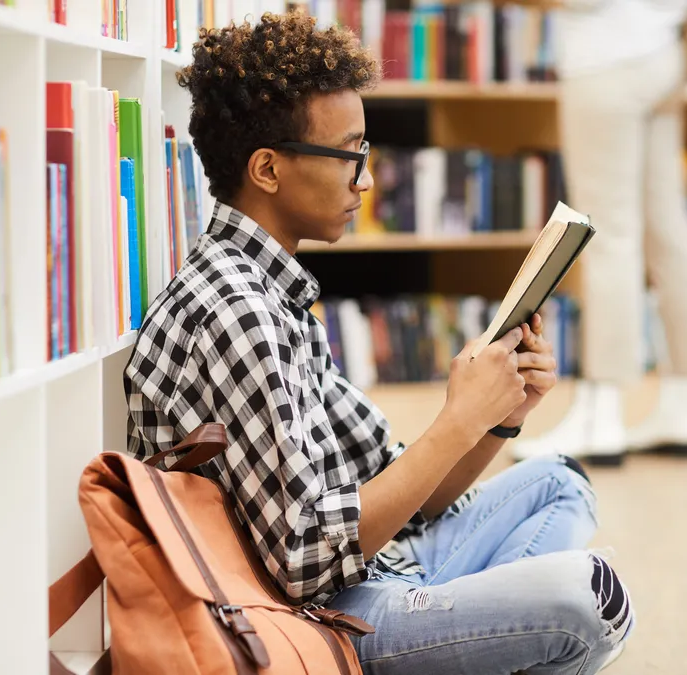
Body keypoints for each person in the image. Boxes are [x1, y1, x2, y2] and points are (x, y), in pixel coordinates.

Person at [124, 13, 632, 674]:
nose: (364, 181)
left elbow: (405, 496)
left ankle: (464, 634)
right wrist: (456, 420)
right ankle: (466, 633)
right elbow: (307, 563)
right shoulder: (237, 310)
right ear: (269, 169)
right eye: (350, 155)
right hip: (329, 618)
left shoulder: (274, 292)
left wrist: (494, 419)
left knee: (561, 482)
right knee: (588, 598)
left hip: (383, 565)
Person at [511, 0, 687, 466]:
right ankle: (683, 406)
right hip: (664, 55)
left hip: (605, 59)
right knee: (667, 229)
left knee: (609, 237)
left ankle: (601, 413)